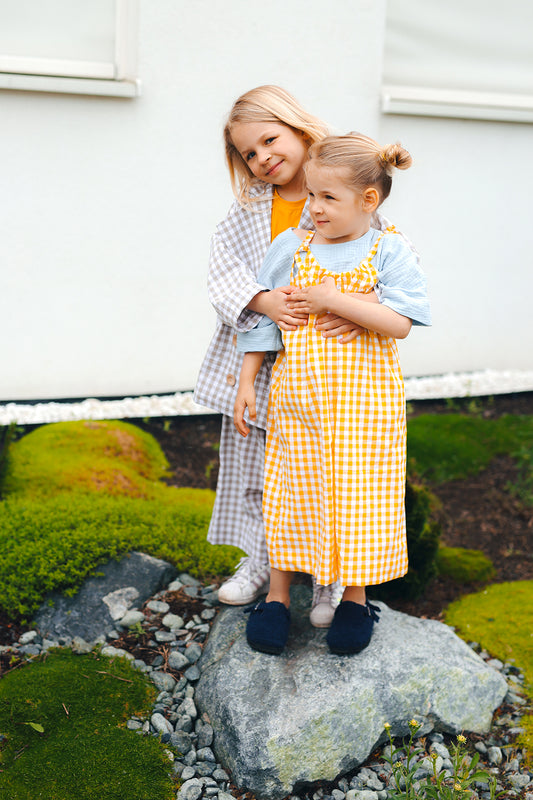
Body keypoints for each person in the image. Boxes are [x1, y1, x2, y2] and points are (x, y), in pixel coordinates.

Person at [194, 86, 408, 625]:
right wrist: (261, 299)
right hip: (265, 350)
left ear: (298, 128)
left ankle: (330, 579)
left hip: (331, 366)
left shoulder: (340, 185)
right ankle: (261, 560)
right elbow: (225, 272)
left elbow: (380, 266)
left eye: (270, 140)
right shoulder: (247, 211)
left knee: (328, 467)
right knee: (263, 467)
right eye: (249, 153)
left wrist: (357, 305)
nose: (263, 157)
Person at [233, 132, 431, 655]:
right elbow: (262, 323)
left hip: (366, 407)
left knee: (359, 497)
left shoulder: (389, 249)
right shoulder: (290, 249)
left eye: (327, 197)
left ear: (369, 200)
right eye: (312, 195)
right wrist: (247, 382)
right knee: (289, 491)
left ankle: (353, 598)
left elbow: (401, 322)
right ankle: (276, 597)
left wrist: (334, 299)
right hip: (298, 403)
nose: (314, 208)